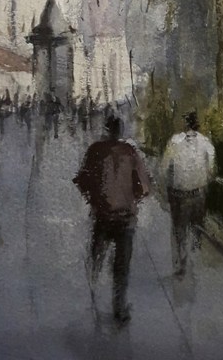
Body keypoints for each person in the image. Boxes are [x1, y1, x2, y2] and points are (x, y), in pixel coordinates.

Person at [74, 114, 151, 325]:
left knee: (96, 255)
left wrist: (94, 198)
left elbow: (82, 180)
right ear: (121, 131)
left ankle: (93, 292)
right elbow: (144, 187)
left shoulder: (95, 151)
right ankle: (119, 308)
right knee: (121, 266)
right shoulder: (130, 152)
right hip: (125, 217)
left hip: (102, 216)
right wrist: (132, 198)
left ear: (106, 130)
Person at [161, 110, 216, 276]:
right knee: (197, 226)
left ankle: (182, 262)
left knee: (179, 229)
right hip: (199, 193)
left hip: (179, 194)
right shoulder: (206, 142)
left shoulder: (174, 141)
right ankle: (195, 258)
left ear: (185, 123)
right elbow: (211, 170)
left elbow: (164, 168)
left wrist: (167, 187)